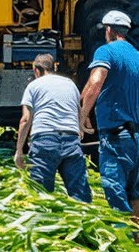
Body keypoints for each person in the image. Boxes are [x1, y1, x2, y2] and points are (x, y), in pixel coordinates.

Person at [79, 9, 139, 226]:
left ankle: (124, 242)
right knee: (136, 194)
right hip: (136, 139)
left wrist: (82, 117)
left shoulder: (106, 52)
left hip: (115, 139)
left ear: (109, 30)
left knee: (115, 193)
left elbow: (95, 82)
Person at [14, 53, 92, 202]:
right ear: (54, 67)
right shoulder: (70, 84)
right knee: (80, 195)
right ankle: (81, 222)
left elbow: (25, 119)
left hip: (45, 141)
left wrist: (19, 151)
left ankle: (44, 221)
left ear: (36, 70)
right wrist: (80, 130)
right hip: (71, 140)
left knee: (40, 195)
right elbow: (79, 113)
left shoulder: (34, 86)